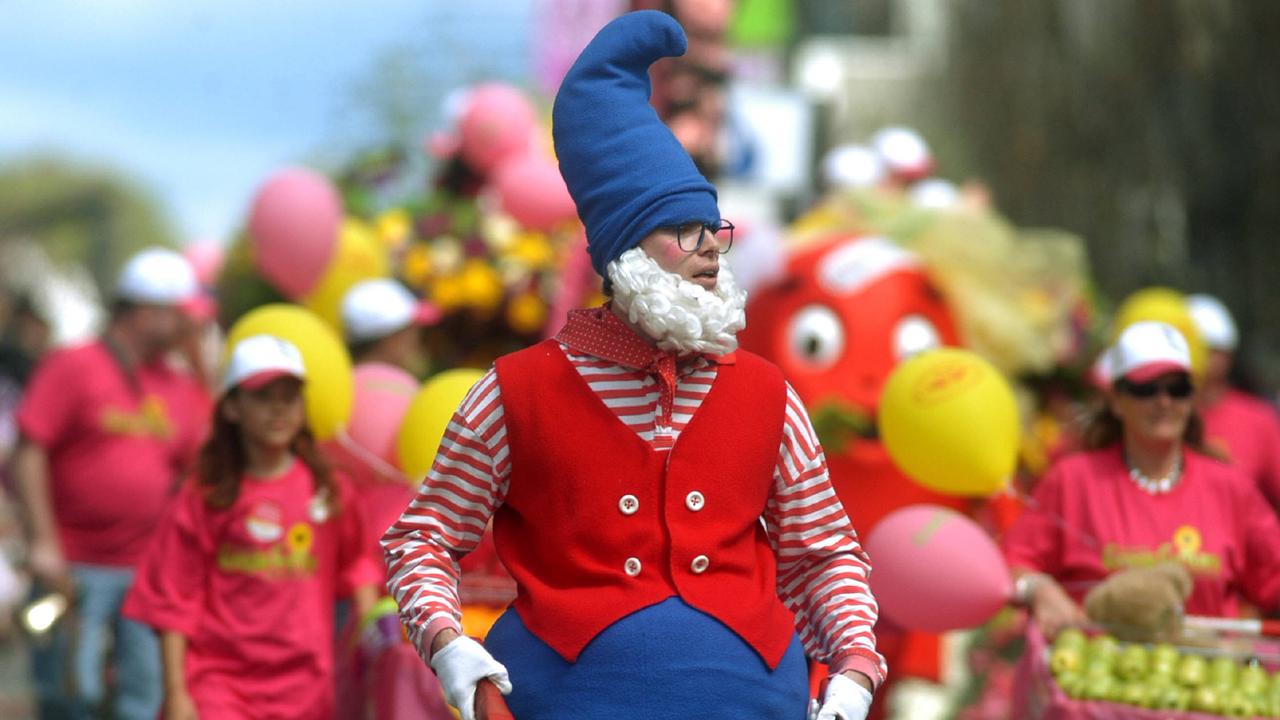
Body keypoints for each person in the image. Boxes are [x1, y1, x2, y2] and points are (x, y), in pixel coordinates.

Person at [383, 11, 884, 720]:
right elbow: (422, 538)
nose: (712, 249)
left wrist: (855, 668)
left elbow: (824, 554)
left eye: (715, 229)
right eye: (685, 232)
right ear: (624, 255)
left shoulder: (768, 393)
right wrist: (447, 641)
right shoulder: (516, 393)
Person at [122, 334, 381, 719]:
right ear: (231, 407)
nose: (278, 410)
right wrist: (178, 694)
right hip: (219, 687)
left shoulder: (330, 489)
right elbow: (172, 601)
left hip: (307, 690)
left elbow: (358, 571)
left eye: (289, 397)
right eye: (262, 397)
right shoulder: (205, 495)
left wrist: (372, 659)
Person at [12, 248, 212, 720]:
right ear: (145, 312)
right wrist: (43, 540)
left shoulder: (180, 385)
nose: (190, 328)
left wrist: (200, 364)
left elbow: (204, 463)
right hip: (72, 567)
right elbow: (29, 450)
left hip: (148, 573)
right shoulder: (74, 364)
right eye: (181, 317)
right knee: (69, 695)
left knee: (143, 699)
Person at [1004, 321, 1280, 640]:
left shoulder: (1230, 488)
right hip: (1091, 682)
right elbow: (1013, 564)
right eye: (1146, 389)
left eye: (1178, 389)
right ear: (1116, 401)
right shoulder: (1073, 481)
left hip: (1205, 680)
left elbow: (1272, 578)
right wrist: (1038, 589)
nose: (1164, 402)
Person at [1187, 293, 1280, 511]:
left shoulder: (1258, 418)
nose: (1199, 358)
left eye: (1209, 350)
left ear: (1228, 355)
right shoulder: (1161, 417)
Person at [341, 278, 439, 376]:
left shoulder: (342, 379)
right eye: (412, 331)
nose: (417, 343)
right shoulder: (398, 388)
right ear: (393, 340)